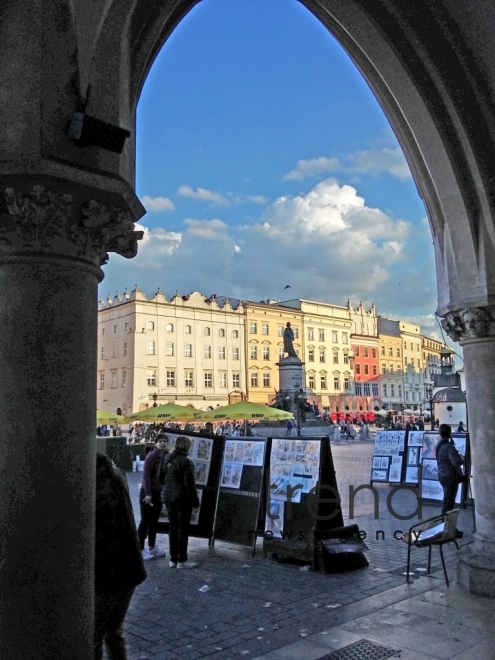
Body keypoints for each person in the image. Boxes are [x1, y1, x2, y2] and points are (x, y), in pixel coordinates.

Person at [95, 452, 147, 660]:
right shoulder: (116, 474)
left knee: (94, 636)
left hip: (110, 572)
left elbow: (101, 534)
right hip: (129, 567)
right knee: (114, 632)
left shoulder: (101, 486)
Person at [160, 436, 200, 568]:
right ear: (187, 447)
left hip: (167, 496)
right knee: (183, 529)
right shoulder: (186, 462)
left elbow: (160, 478)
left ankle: (173, 559)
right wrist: (195, 502)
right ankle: (182, 560)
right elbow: (190, 485)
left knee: (173, 527)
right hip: (182, 498)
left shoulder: (167, 458)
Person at [137, 435, 168, 560]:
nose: (162, 444)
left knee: (154, 521)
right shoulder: (151, 456)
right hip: (147, 493)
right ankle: (140, 549)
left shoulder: (166, 456)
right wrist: (148, 494)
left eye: (165, 442)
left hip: (158, 493)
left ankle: (152, 547)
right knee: (145, 520)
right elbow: (146, 476)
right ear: (155, 443)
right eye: (160, 441)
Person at [435, 424, 465, 537]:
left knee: (447, 501)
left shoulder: (439, 445)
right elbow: (455, 462)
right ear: (449, 433)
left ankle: (446, 527)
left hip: (442, 475)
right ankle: (448, 528)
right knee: (449, 503)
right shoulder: (448, 446)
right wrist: (462, 458)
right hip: (450, 477)